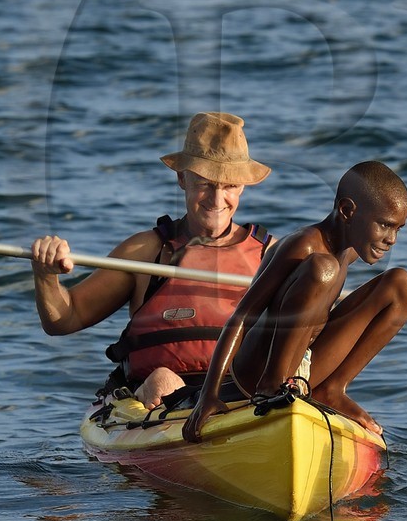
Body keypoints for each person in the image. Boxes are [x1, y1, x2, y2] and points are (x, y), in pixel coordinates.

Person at [30, 112, 274, 408]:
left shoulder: (269, 254)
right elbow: (64, 320)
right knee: (163, 380)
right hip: (163, 402)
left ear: (243, 187)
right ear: (182, 178)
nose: (217, 198)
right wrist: (46, 276)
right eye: (205, 183)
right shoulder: (146, 252)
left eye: (230, 186)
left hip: (243, 397)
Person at [183, 160, 407, 443]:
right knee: (324, 269)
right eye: (384, 225)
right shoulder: (303, 245)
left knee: (404, 286)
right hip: (258, 369)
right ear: (347, 211)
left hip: (304, 366)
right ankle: (271, 388)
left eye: (398, 229)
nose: (391, 239)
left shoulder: (348, 248)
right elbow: (242, 316)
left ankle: (332, 389)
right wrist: (208, 395)